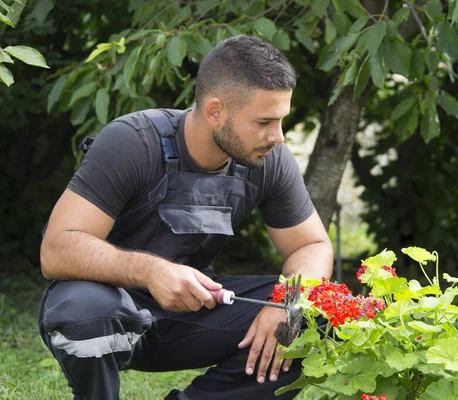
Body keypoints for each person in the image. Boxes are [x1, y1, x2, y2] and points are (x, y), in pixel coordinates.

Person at [38, 35, 333, 400]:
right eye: (265, 122)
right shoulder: (132, 141)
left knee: (318, 314)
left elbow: (312, 244)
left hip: (193, 314)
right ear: (215, 111)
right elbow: (56, 249)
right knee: (81, 310)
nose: (279, 137)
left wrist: (286, 301)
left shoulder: (270, 159)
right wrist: (154, 272)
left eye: (281, 120)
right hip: (110, 310)